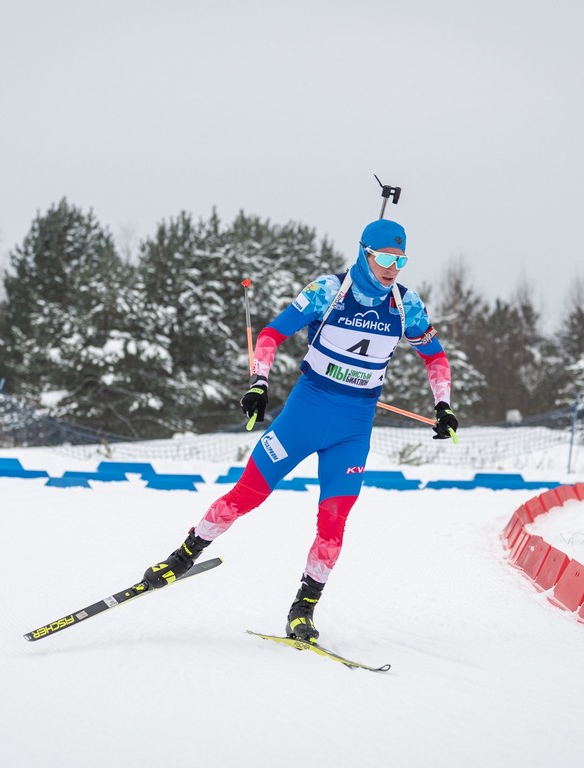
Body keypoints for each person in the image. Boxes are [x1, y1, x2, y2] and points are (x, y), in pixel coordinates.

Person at [138, 218, 458, 643]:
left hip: (354, 429)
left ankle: (303, 608)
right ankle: (182, 557)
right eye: (384, 257)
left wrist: (444, 405)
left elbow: (435, 359)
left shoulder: (406, 304)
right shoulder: (328, 291)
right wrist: (259, 383)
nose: (392, 267)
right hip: (303, 416)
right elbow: (271, 335)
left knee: (333, 524)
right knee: (246, 495)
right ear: (364, 252)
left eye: (400, 259)